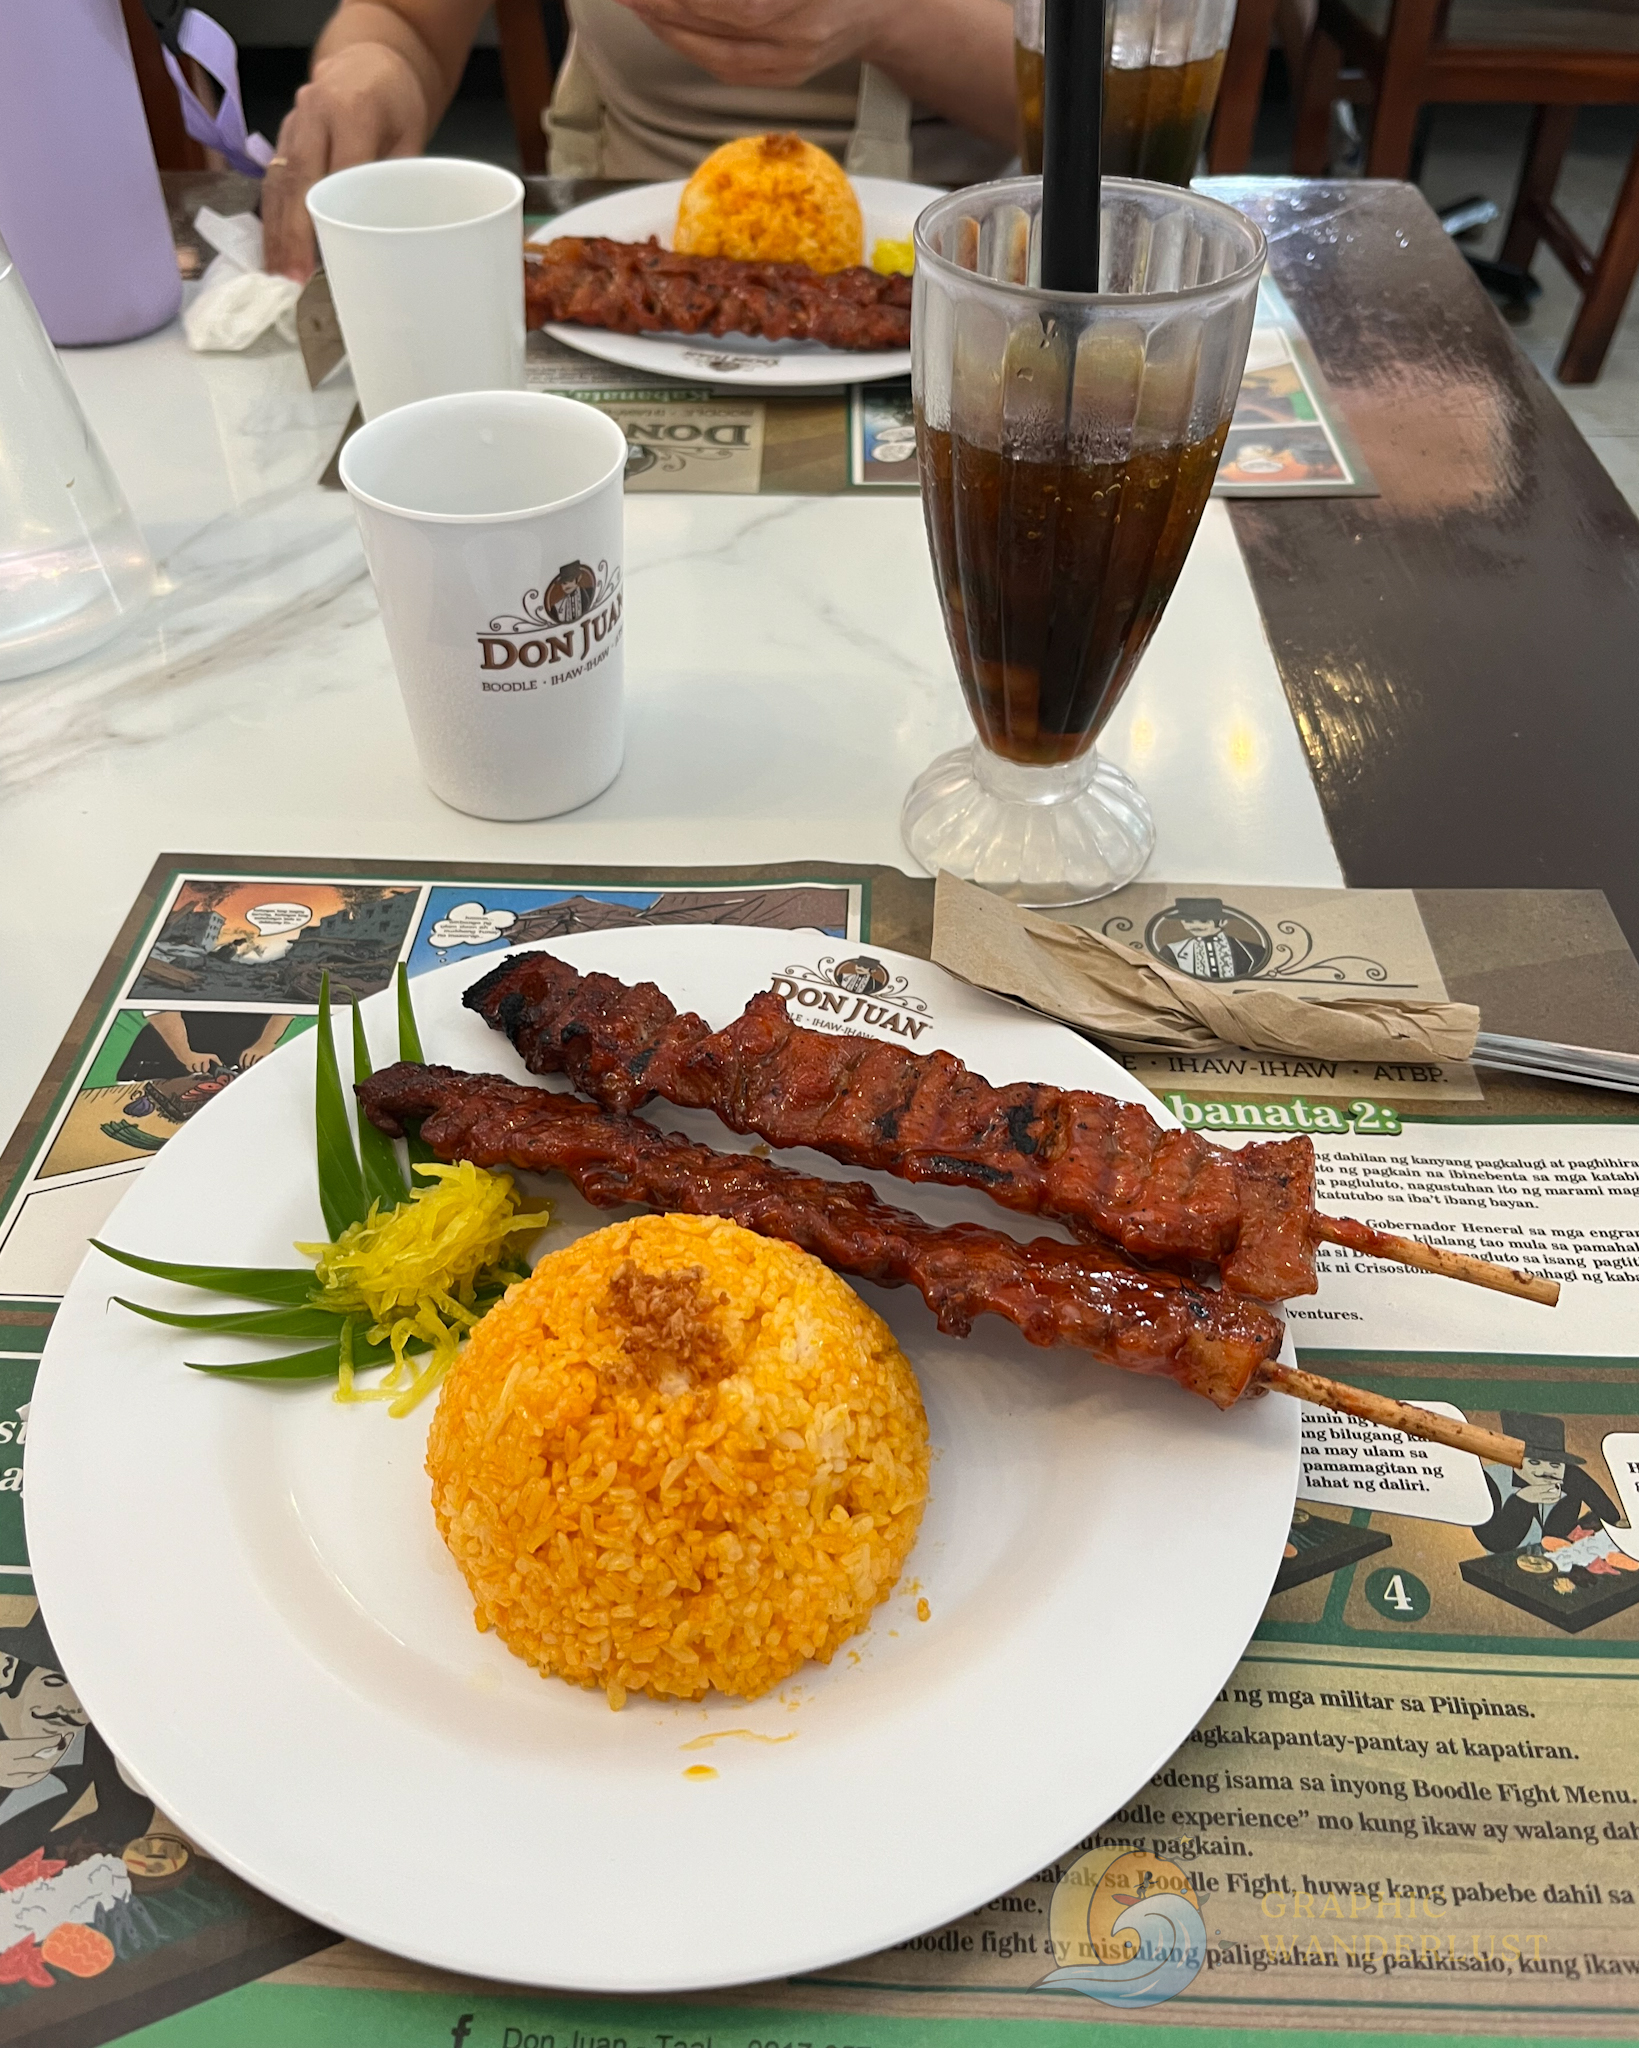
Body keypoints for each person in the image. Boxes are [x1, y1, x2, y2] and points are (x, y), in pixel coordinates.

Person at [263, 0, 1018, 280]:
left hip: (961, 269)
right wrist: (377, 65)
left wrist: (893, 18)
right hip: (608, 264)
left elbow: (1081, 105)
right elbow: (403, 19)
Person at [1471, 1412, 1620, 1554]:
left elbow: (1610, 1515)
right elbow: (1496, 1543)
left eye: (1555, 1464)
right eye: (1534, 1462)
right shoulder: (1487, 1480)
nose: (1546, 1471)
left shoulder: (1569, 1475)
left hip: (1559, 1558)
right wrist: (1522, 1500)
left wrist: (1585, 1530)